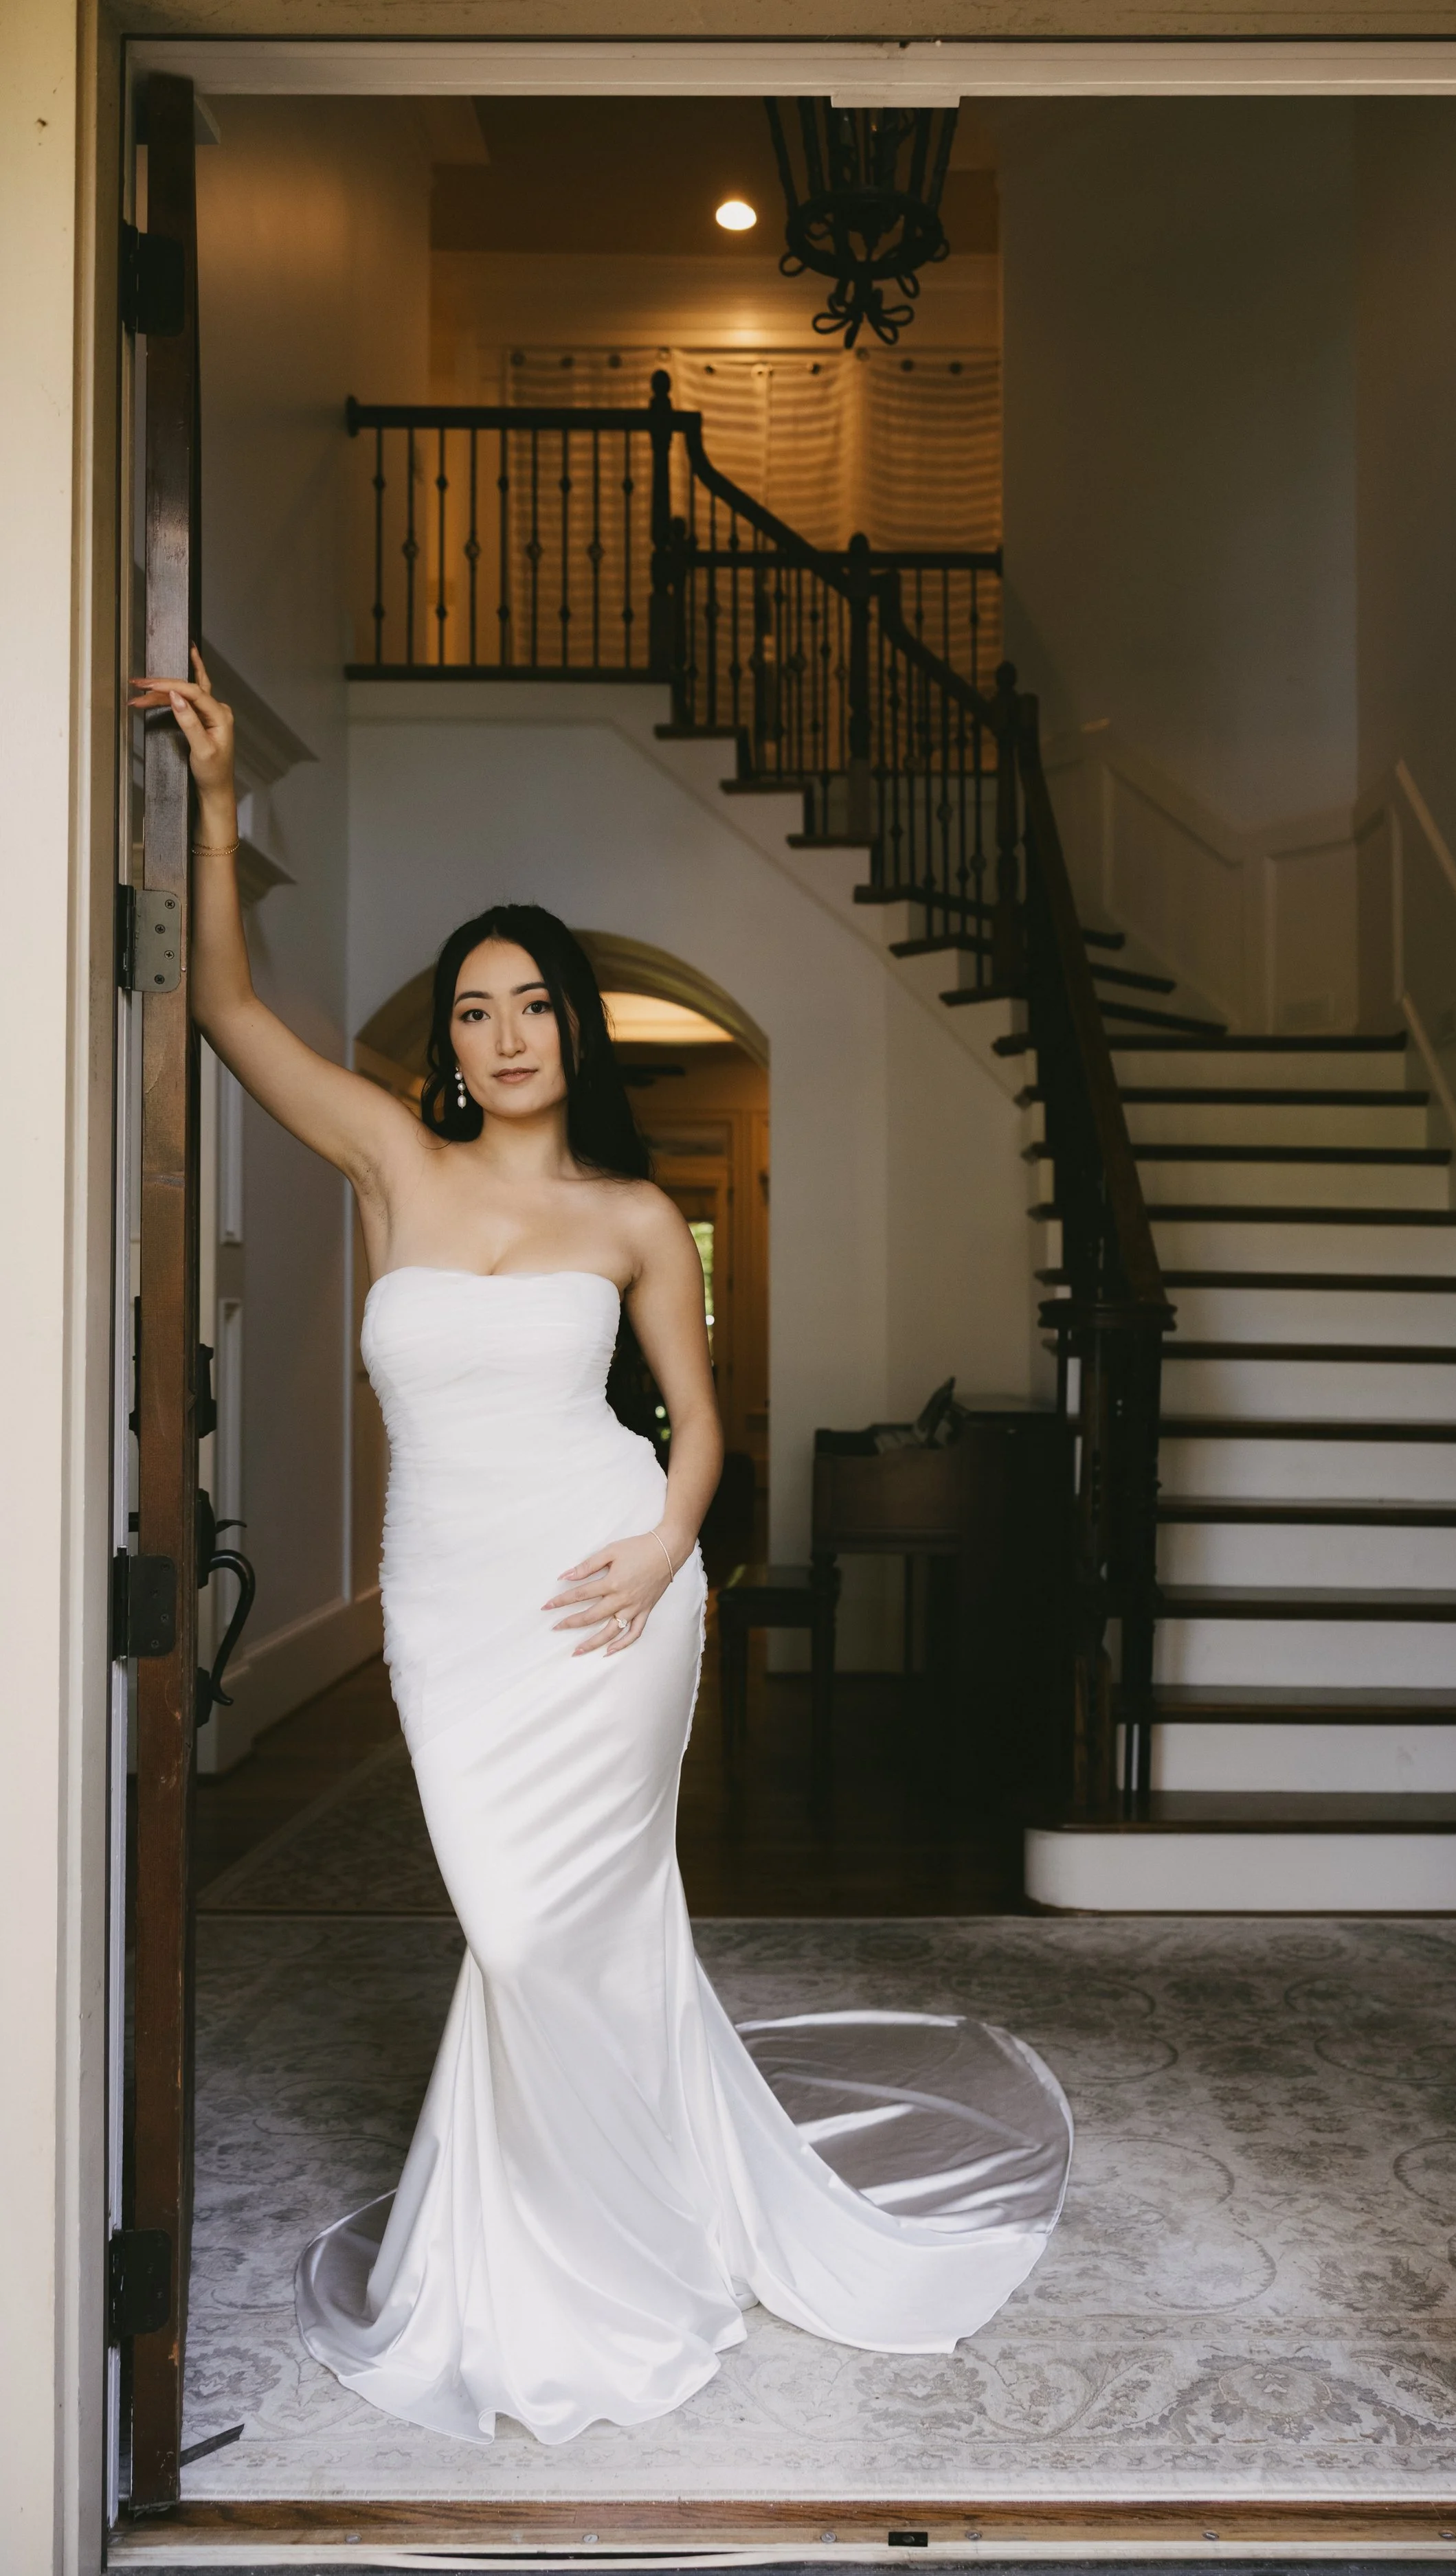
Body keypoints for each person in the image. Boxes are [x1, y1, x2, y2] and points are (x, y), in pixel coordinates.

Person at [129, 652, 1073, 2448]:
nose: (504, 1034)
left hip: (611, 1600)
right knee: (517, 1925)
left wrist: (660, 1555)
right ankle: (583, 2222)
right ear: (450, 1042)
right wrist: (220, 803)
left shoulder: (635, 1213)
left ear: (576, 1029)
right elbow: (226, 1008)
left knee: (569, 1929)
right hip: (450, 1615)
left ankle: (611, 2255)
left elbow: (698, 1425)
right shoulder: (391, 1161)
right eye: (475, 1009)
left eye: (534, 1006)